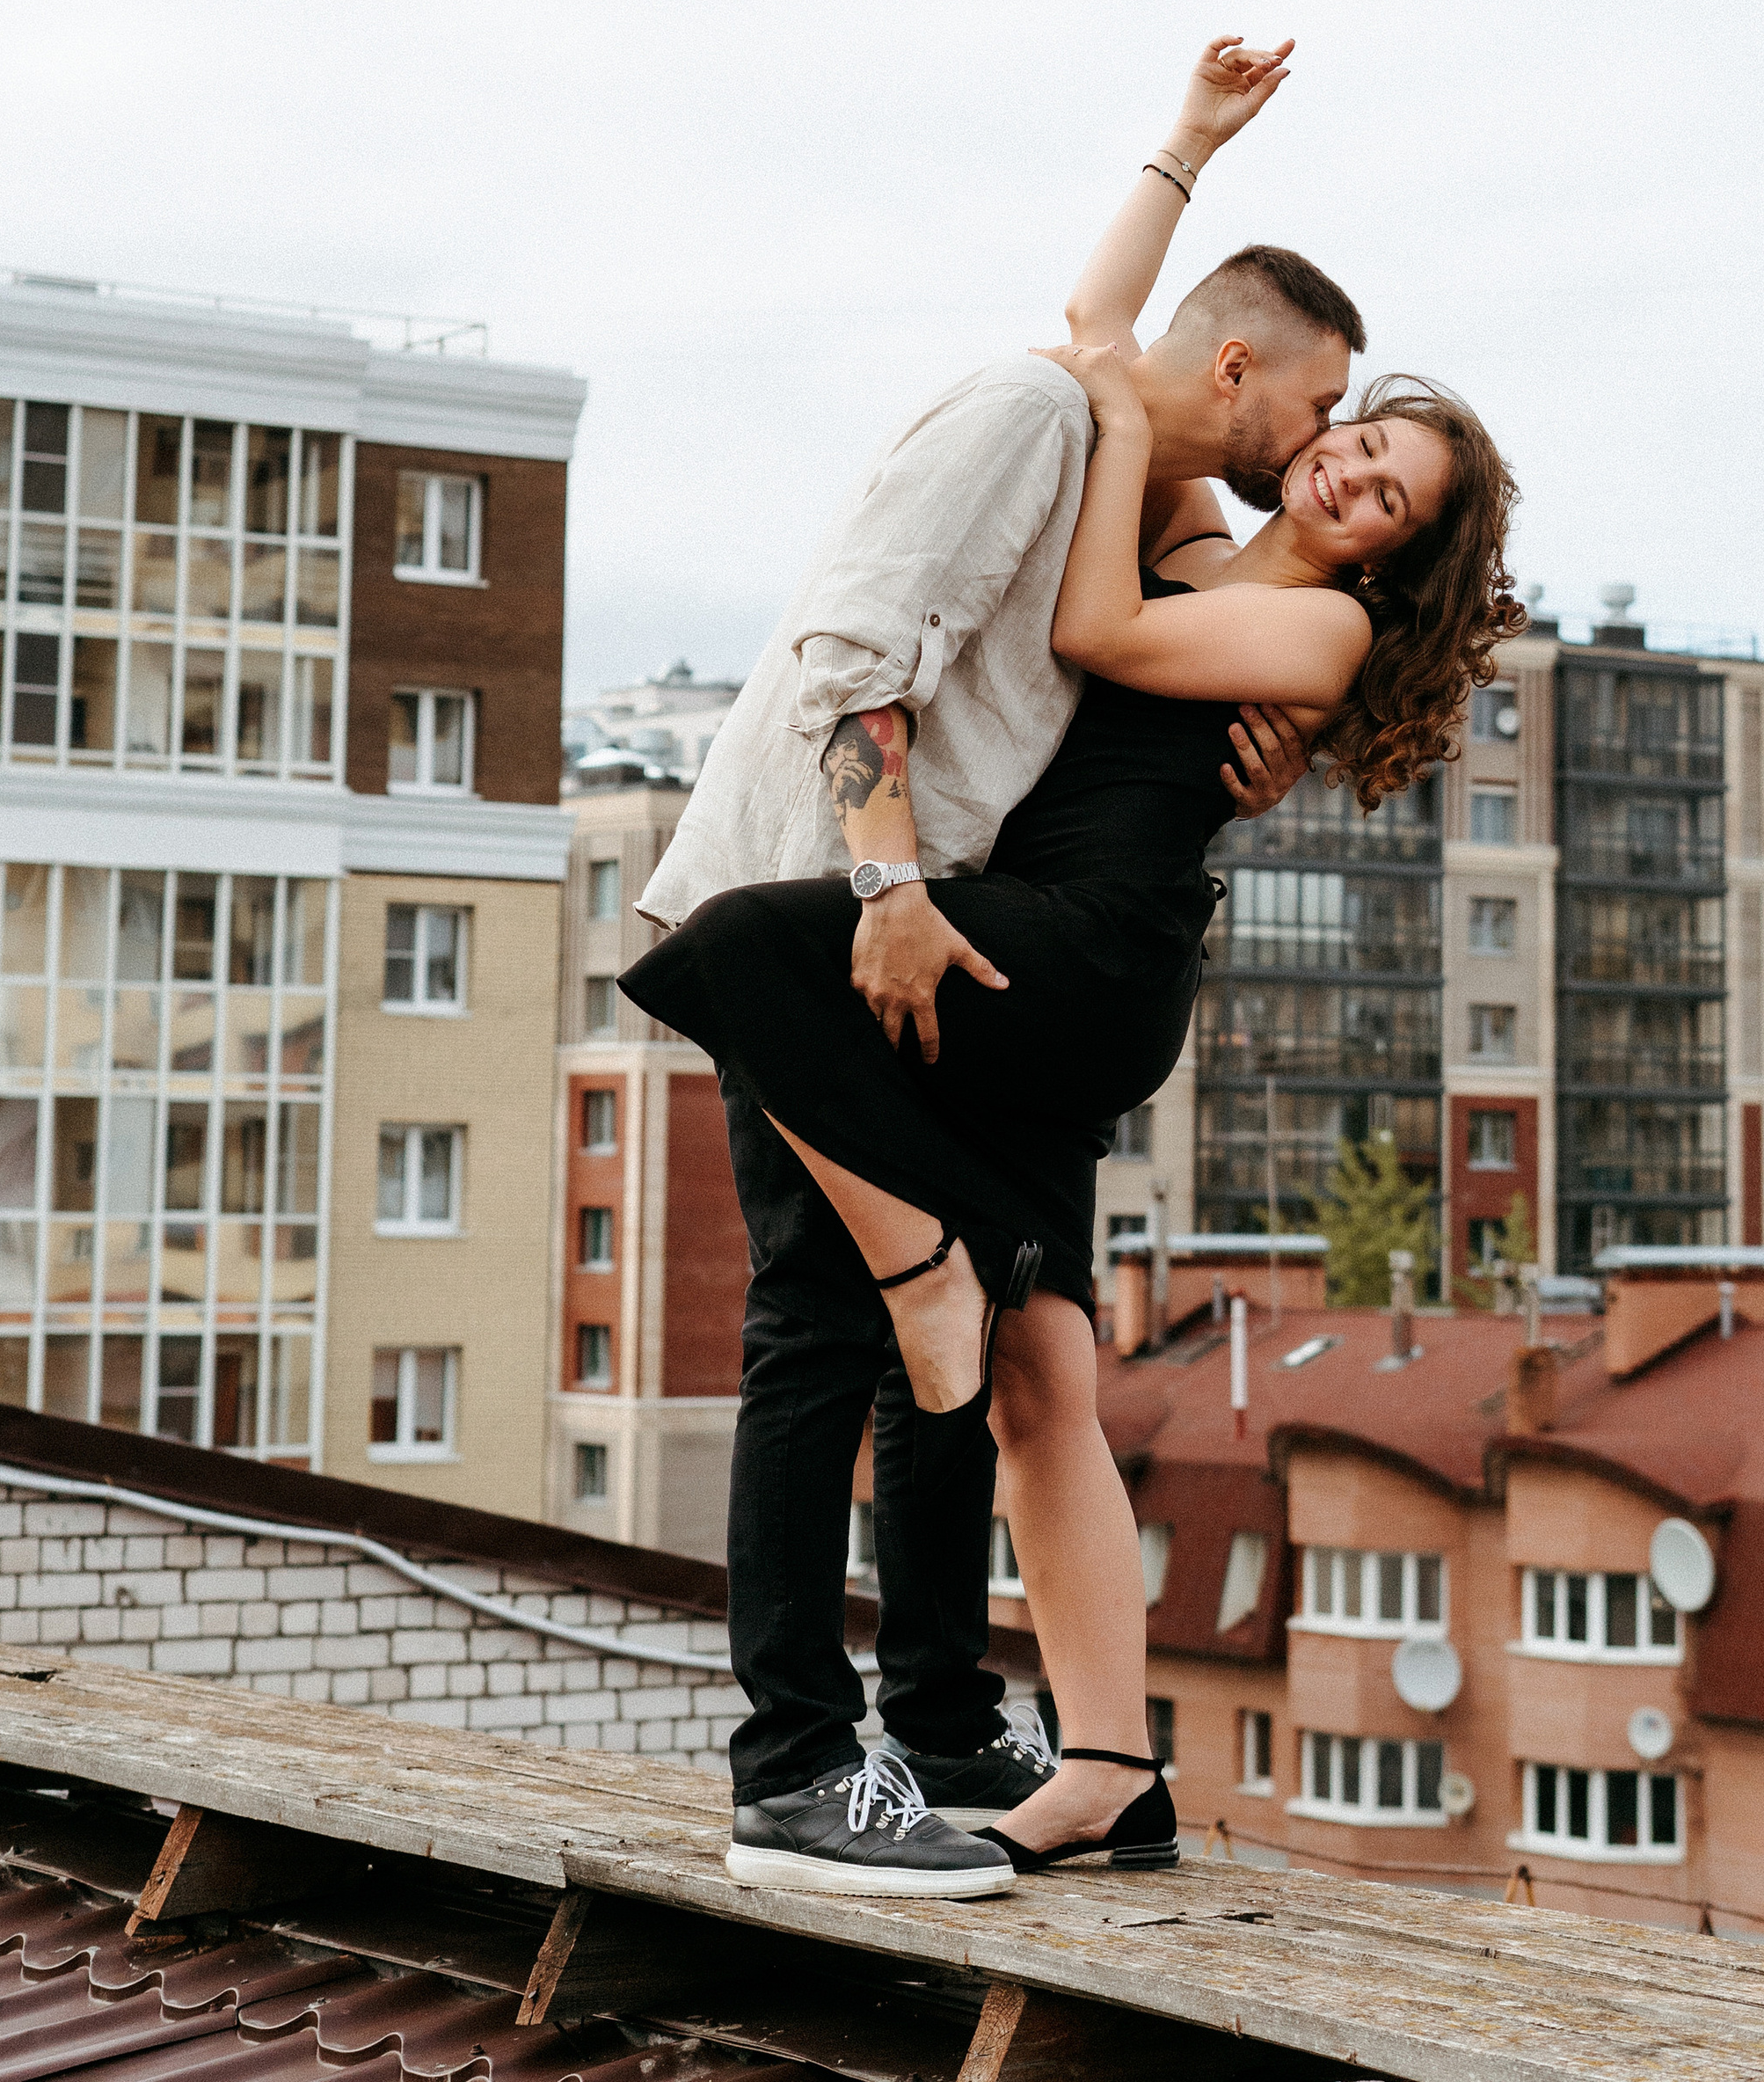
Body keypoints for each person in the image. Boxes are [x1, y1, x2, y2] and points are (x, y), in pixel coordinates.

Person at [628, 102, 1524, 1899]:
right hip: (1013, 930)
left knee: (732, 976)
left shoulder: (1296, 616)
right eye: (1350, 434)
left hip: (1074, 951)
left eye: (1383, 489)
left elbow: (1092, 626)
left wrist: (1119, 419)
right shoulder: (1179, 521)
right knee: (1038, 1369)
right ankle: (1099, 1765)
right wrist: (1184, 148)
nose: (1339, 467)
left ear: (1390, 557)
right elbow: (1107, 327)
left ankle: (914, 1291)